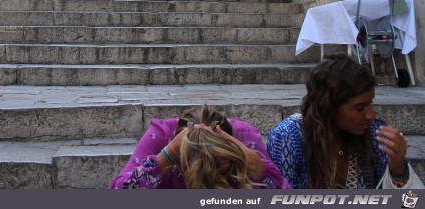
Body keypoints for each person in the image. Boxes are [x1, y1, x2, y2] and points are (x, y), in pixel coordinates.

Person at [267, 54, 422, 189]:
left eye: (370, 103)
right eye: (360, 107)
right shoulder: (288, 137)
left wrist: (399, 172)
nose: (371, 115)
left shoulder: (376, 131)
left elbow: (410, 203)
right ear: (329, 107)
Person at [109, 105, 290, 189]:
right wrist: (166, 156)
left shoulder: (244, 139)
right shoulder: (161, 137)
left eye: (218, 165)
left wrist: (253, 163)